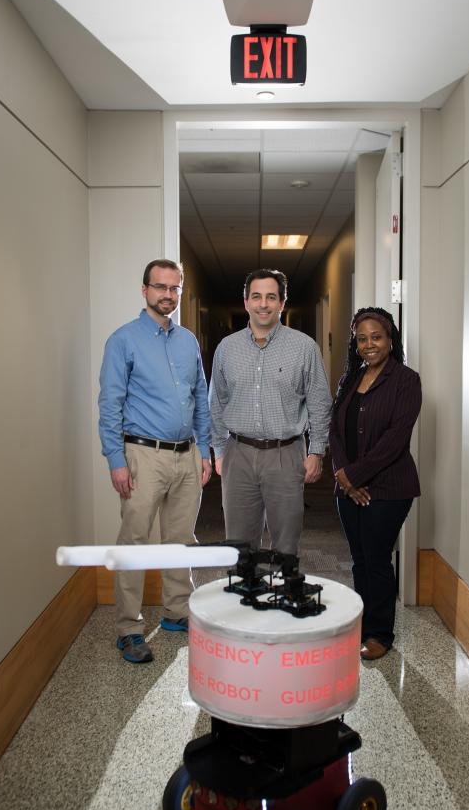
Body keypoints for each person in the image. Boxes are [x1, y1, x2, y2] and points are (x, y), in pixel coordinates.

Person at [98, 259, 212, 664]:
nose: (168, 294)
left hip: (187, 455)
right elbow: (109, 404)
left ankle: (177, 613)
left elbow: (201, 397)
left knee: (181, 540)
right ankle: (129, 628)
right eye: (160, 287)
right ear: (144, 290)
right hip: (141, 456)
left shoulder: (187, 342)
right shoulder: (123, 341)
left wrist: (207, 450)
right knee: (134, 542)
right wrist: (116, 459)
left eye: (174, 288)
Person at [209, 268, 331, 556]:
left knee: (286, 545)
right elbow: (217, 402)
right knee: (239, 546)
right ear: (246, 302)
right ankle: (245, 599)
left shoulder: (304, 348)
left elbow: (319, 403)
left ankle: (283, 598)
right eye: (257, 297)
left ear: (282, 303)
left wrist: (317, 451)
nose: (263, 304)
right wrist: (219, 449)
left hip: (285, 454)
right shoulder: (227, 348)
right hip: (238, 453)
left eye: (271, 297)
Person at [329, 306, 421, 660]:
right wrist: (343, 474)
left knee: (377, 559)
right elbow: (335, 430)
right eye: (362, 338)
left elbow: (395, 440)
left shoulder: (406, 381)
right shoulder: (349, 380)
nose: (369, 344)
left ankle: (380, 633)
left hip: (389, 488)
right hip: (347, 487)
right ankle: (362, 625)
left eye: (376, 337)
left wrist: (354, 475)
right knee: (358, 560)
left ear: (390, 339)